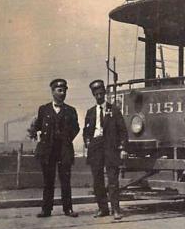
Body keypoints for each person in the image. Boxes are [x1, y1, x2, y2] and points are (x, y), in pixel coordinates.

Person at [29, 78, 81, 218]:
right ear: (53, 92)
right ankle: (46, 209)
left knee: (65, 181)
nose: (62, 93)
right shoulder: (43, 109)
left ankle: (68, 209)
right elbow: (38, 127)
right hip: (48, 151)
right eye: (59, 90)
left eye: (64, 90)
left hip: (64, 150)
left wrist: (66, 139)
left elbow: (76, 128)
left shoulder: (71, 110)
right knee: (48, 181)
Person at [82, 79, 128, 220]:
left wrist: (123, 148)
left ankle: (116, 209)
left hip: (110, 148)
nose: (99, 96)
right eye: (96, 94)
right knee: (97, 180)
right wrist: (88, 141)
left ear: (105, 93)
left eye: (101, 93)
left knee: (113, 179)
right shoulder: (90, 112)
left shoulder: (114, 110)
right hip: (95, 148)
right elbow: (86, 131)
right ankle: (103, 209)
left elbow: (123, 131)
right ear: (93, 95)